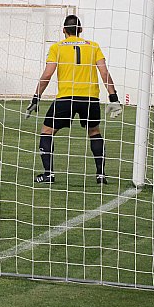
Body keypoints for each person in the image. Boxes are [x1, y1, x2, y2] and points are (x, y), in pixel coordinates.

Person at [25, 14, 122, 184]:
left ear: (63, 30)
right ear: (81, 30)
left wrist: (36, 98)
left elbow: (48, 74)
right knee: (94, 132)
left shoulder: (57, 47)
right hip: (90, 98)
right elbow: (104, 72)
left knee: (47, 131)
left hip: (66, 98)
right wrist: (113, 98)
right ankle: (101, 175)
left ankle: (48, 174)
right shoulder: (93, 46)